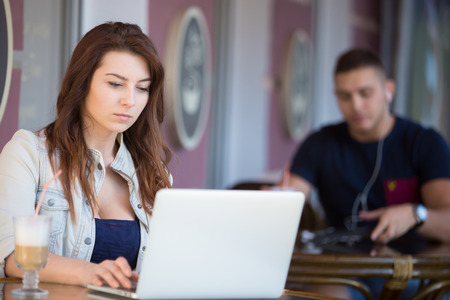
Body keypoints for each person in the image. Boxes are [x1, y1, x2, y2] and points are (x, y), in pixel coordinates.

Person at [0, 22, 173, 288]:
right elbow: (11, 255)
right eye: (116, 84)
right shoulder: (29, 154)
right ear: (83, 82)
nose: (130, 100)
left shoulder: (154, 175)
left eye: (142, 88)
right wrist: (87, 273)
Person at [283, 48, 450, 299]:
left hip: (417, 277)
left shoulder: (424, 142)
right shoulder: (320, 143)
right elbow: (292, 194)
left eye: (365, 93)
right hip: (343, 273)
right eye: (344, 96)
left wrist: (415, 214)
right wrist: (279, 200)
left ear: (388, 90)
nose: (356, 105)